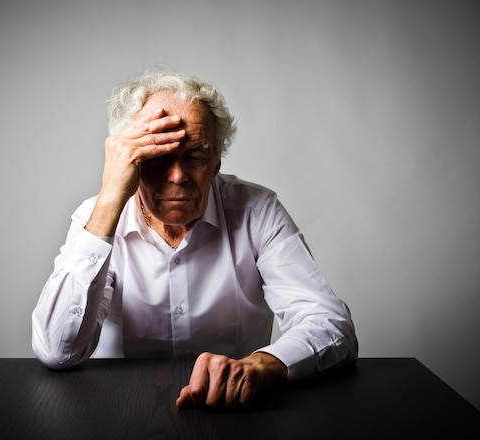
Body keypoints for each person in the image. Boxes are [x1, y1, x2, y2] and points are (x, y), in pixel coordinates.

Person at [32, 68, 358, 409]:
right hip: (121, 412)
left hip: (236, 413)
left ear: (216, 162)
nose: (177, 176)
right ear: (131, 160)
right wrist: (111, 195)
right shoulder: (96, 218)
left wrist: (262, 366)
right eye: (157, 157)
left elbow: (331, 325)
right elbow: (58, 351)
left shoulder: (256, 211)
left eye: (196, 156)